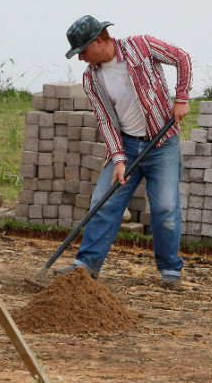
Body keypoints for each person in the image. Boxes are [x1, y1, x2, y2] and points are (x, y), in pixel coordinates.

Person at [58, 15, 192, 290]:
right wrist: (118, 159)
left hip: (162, 144)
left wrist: (181, 97)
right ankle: (86, 266)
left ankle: (170, 271)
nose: (81, 58)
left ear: (99, 41)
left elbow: (182, 57)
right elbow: (106, 120)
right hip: (128, 147)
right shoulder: (91, 78)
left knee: (166, 208)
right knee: (103, 203)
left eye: (83, 51)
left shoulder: (141, 46)